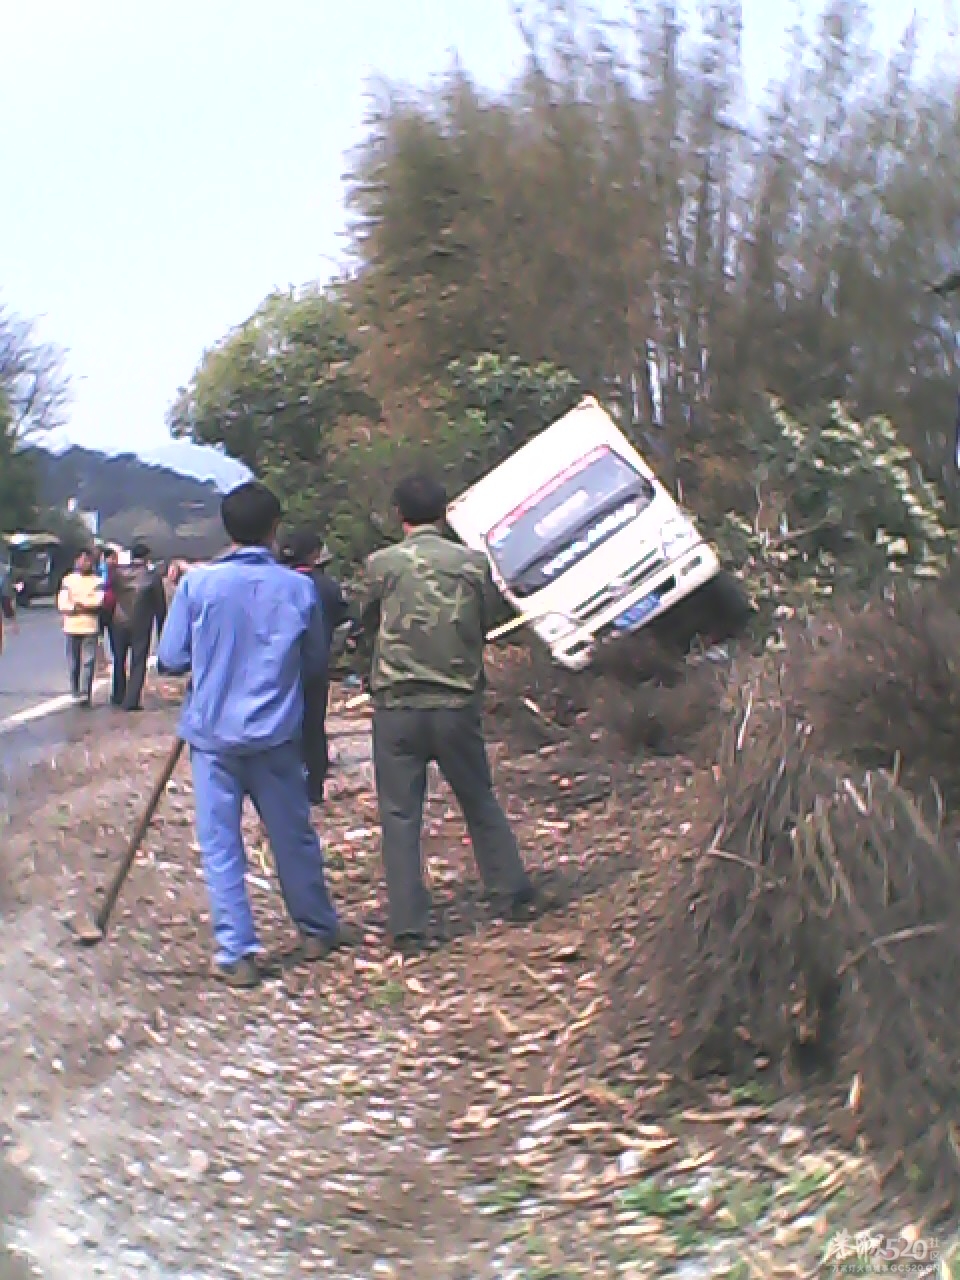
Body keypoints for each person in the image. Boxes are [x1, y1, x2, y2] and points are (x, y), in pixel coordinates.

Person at [156, 481, 342, 989]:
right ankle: (317, 928)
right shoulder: (299, 588)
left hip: (213, 738)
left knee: (221, 844)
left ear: (227, 529)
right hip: (276, 735)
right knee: (292, 836)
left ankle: (237, 950)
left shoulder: (198, 586)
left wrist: (211, 656)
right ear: (274, 529)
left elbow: (171, 660)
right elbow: (315, 664)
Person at [356, 471, 536, 954]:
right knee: (478, 798)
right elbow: (494, 619)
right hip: (456, 703)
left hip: (396, 705)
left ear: (400, 516)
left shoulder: (382, 565)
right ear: (444, 513)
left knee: (399, 814)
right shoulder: (473, 564)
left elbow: (362, 624)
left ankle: (409, 925)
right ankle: (511, 893)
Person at [278, 529, 349, 804]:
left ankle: (285, 785)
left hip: (281, 667)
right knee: (314, 725)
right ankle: (314, 787)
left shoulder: (278, 583)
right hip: (316, 666)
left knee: (282, 725)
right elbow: (346, 619)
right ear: (315, 554)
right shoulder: (326, 585)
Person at [110, 541, 167, 711]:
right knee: (138, 662)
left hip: (118, 621)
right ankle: (131, 700)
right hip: (141, 624)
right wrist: (161, 628)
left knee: (119, 660)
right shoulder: (152, 577)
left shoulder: (117, 574)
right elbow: (160, 606)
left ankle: (117, 694)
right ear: (147, 558)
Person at [56, 548, 105, 706]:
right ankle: (75, 690)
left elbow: (97, 602)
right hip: (71, 627)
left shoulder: (97, 581)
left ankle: (85, 693)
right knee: (73, 662)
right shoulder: (68, 580)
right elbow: (63, 603)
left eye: (88, 560)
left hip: (90, 627)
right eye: (82, 560)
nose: (85, 563)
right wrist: (80, 606)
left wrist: (79, 604)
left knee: (89, 662)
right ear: (76, 561)